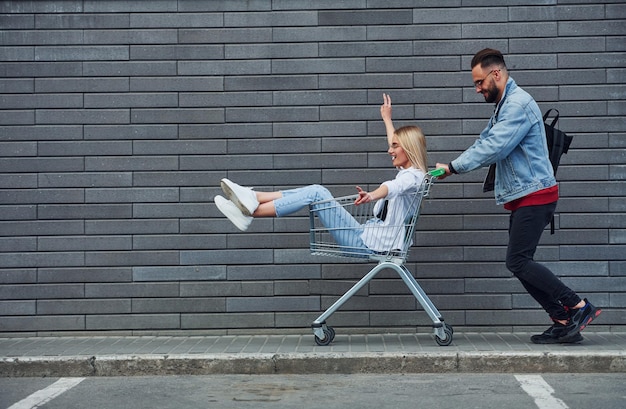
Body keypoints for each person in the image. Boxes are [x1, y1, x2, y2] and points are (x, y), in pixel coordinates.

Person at [435, 48, 601, 344]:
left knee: (519, 261)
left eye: (479, 82)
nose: (477, 89)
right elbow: (484, 140)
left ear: (495, 73)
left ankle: (578, 306)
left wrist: (454, 167)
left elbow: (495, 147)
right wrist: (451, 166)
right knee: (519, 261)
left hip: (537, 194)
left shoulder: (518, 105)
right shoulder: (504, 105)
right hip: (527, 195)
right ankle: (562, 319)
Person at [214, 94, 429, 254]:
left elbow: (392, 188)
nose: (389, 150)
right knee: (315, 191)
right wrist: (387, 119)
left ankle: (250, 209)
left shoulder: (412, 178)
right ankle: (253, 200)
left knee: (317, 193)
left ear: (408, 149)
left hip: (366, 243)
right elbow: (396, 146)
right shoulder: (411, 173)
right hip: (367, 235)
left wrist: (372, 195)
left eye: (395, 147)